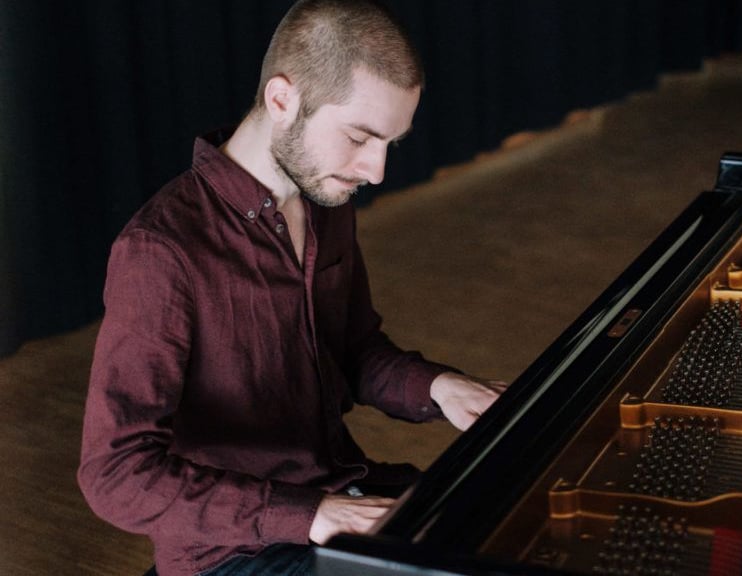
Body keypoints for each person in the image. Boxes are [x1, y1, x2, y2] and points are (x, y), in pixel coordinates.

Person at [77, 1, 507, 575]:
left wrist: (442, 387)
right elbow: (115, 474)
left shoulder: (324, 200)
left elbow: (352, 352)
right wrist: (310, 515)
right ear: (282, 100)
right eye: (360, 137)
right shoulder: (161, 252)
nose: (376, 170)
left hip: (337, 494)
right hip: (234, 552)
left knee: (507, 523)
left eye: (390, 144)